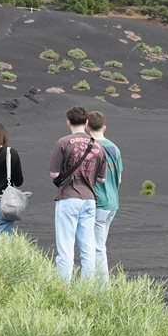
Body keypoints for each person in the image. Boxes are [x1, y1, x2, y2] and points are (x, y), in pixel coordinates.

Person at [49, 106, 107, 282]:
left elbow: (54, 174)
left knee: (65, 247)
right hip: (89, 199)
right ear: (86, 123)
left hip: (68, 197)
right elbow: (102, 179)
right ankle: (87, 288)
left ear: (68, 123)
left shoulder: (63, 143)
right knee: (88, 247)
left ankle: (63, 287)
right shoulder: (98, 146)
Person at [88, 111, 122, 283]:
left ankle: (101, 286)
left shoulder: (90, 147)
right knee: (98, 245)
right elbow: (119, 178)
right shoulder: (114, 148)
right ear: (104, 127)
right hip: (112, 203)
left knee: (96, 247)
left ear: (87, 126)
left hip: (98, 203)